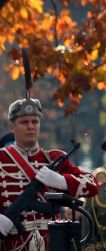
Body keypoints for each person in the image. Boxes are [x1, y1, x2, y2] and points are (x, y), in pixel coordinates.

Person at [0, 98, 97, 251]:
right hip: (13, 243)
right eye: (24, 122)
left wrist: (62, 181)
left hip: (53, 242)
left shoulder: (54, 158)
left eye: (35, 121)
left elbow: (92, 185)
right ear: (12, 126)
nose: (31, 126)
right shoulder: (2, 159)